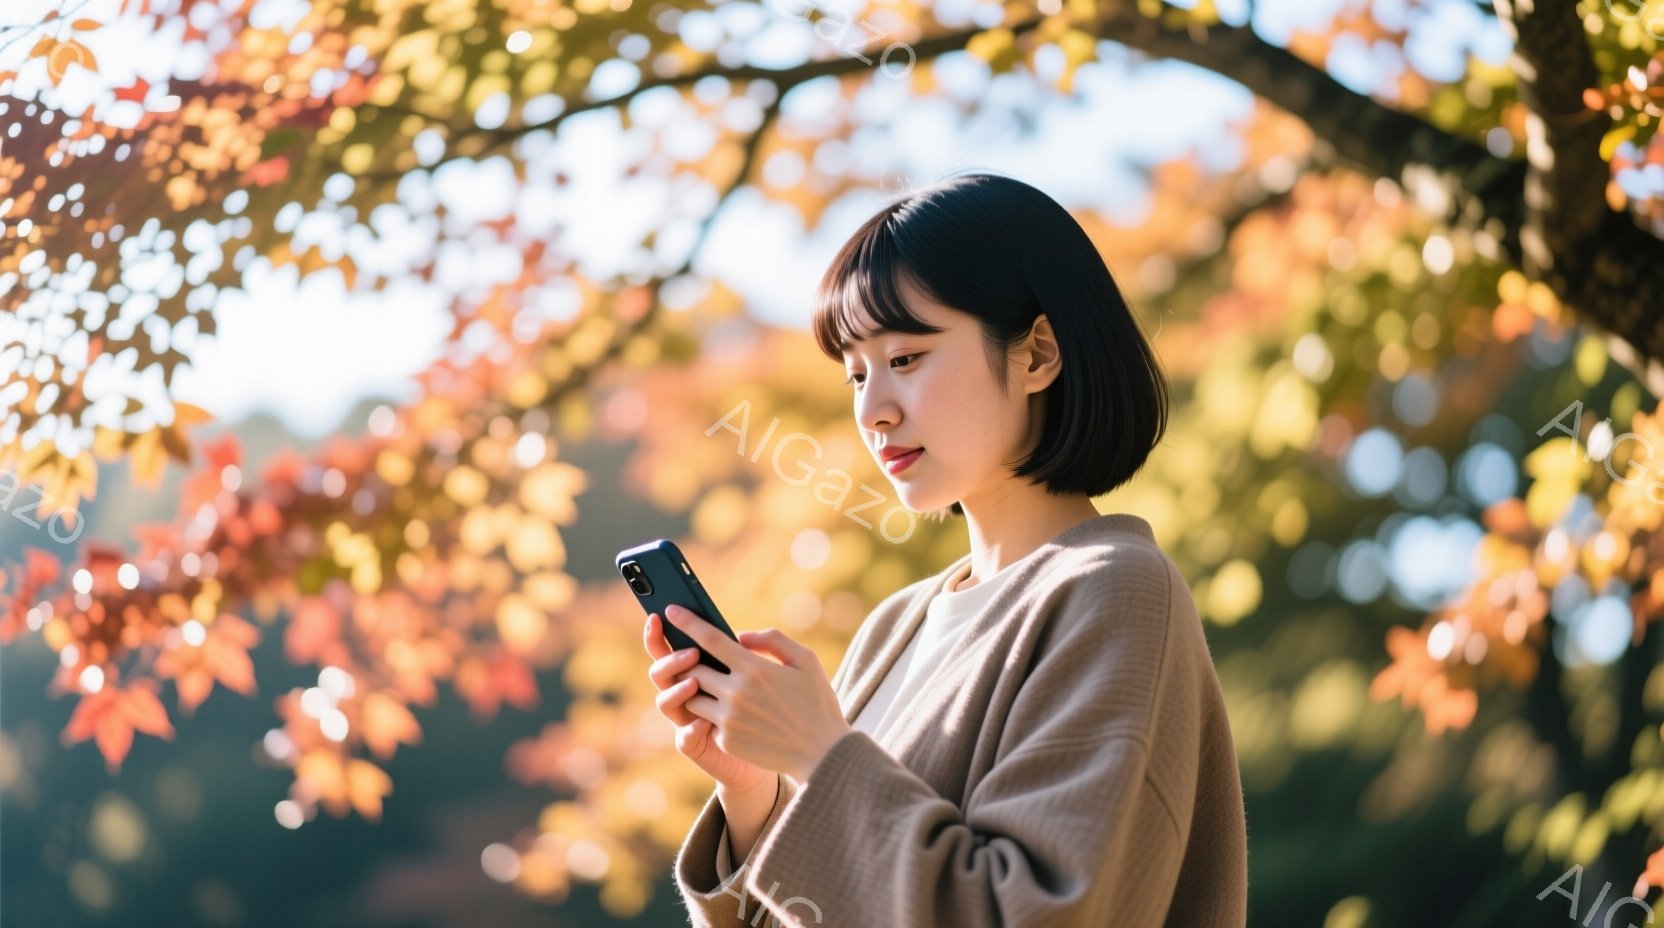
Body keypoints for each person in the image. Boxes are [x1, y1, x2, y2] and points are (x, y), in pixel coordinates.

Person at [642, 172, 1248, 927]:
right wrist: (756, 796)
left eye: (904, 359)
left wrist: (819, 754)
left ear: (1038, 353)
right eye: (855, 374)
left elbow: (1035, 914)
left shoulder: (1114, 589)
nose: (872, 411)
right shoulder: (895, 627)